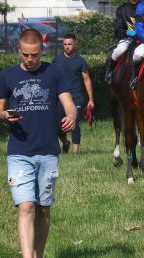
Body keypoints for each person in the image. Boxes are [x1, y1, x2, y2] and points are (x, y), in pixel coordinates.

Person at [0, 29, 77, 258]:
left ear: (41, 51)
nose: (30, 59)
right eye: (25, 55)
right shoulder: (7, 76)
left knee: (43, 209)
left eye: (34, 55)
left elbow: (69, 102)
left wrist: (71, 116)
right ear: (19, 51)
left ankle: (38, 254)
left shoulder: (54, 72)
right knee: (25, 207)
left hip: (47, 152)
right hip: (19, 152)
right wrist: (4, 115)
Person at [52, 33, 94, 154]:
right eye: (65, 44)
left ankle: (75, 154)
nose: (67, 46)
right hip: (60, 97)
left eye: (69, 44)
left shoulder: (80, 61)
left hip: (76, 97)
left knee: (74, 124)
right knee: (57, 125)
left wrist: (91, 99)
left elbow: (87, 80)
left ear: (75, 44)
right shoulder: (56, 60)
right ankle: (65, 143)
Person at [105, 0, 142, 83]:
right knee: (119, 50)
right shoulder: (121, 9)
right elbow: (119, 28)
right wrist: (131, 34)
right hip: (127, 39)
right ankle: (110, 70)